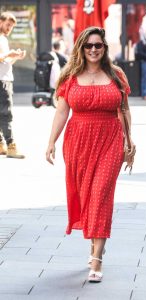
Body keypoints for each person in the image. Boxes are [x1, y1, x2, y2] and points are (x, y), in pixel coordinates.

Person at [46, 26, 135, 282]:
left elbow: (125, 110)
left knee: (100, 195)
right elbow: (62, 112)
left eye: (98, 45)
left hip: (110, 140)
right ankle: (96, 242)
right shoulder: (70, 77)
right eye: (89, 46)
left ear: (104, 48)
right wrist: (51, 141)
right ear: (81, 49)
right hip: (78, 143)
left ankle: (97, 258)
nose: (94, 50)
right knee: (86, 196)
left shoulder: (116, 75)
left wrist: (129, 141)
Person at [0, 12, 26, 158]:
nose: (10, 28)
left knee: (1, 113)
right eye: (8, 25)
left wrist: (15, 57)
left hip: (5, 78)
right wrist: (9, 54)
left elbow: (5, 62)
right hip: (2, 80)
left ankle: (0, 144)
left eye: (12, 26)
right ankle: (11, 146)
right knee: (6, 113)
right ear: (0, 21)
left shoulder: (3, 39)